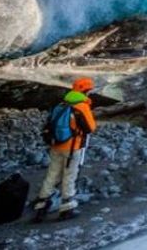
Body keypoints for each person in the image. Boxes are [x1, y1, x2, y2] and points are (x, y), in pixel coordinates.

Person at [31, 77, 97, 222]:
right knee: (69, 176)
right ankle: (67, 208)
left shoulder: (61, 103)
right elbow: (90, 128)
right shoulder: (81, 106)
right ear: (86, 90)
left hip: (56, 145)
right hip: (73, 147)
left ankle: (41, 207)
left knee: (52, 174)